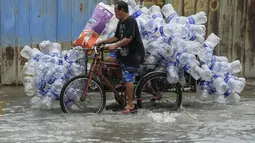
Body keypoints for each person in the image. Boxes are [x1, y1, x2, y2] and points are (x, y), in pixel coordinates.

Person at [96, 1, 145, 113]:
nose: (115, 13)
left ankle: (130, 104)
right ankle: (121, 84)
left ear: (122, 11)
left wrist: (115, 46)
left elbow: (128, 38)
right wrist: (103, 42)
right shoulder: (121, 22)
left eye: (116, 11)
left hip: (134, 54)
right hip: (124, 52)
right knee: (106, 60)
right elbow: (117, 37)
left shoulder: (130, 21)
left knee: (129, 77)